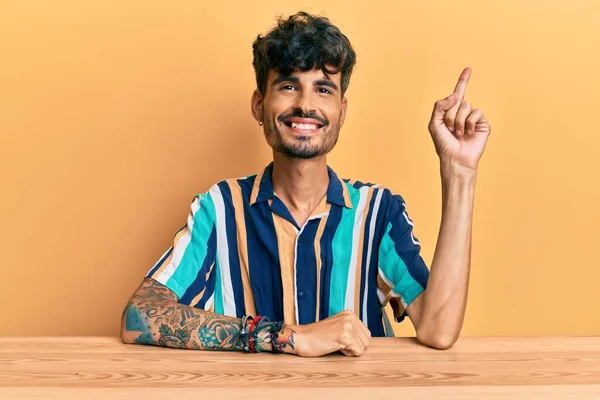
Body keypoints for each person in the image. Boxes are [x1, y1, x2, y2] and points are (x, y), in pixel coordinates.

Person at [120, 11, 491, 357]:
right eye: (287, 85)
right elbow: (138, 317)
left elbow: (438, 329)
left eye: (323, 89)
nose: (305, 105)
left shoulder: (378, 213)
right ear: (258, 104)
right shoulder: (219, 208)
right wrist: (289, 336)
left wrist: (460, 172)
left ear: (342, 111)